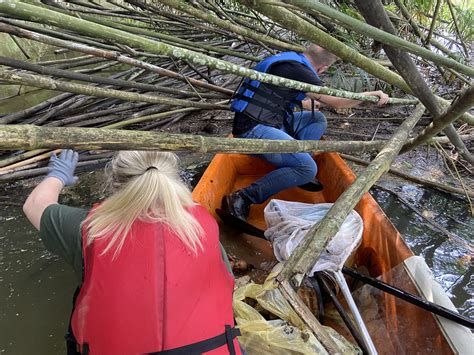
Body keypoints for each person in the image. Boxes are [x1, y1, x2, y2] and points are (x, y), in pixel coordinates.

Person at [23, 150, 241, 355]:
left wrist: (58, 175)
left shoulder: (88, 228)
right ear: (173, 180)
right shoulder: (202, 226)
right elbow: (226, 281)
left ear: (115, 185)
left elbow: (34, 204)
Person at [223, 44, 389, 220]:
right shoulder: (302, 72)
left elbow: (273, 94)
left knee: (316, 119)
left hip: (269, 121)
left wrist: (303, 103)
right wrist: (370, 95)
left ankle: (296, 160)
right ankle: (244, 197)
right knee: (308, 168)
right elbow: (338, 102)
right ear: (323, 68)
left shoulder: (292, 60)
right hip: (252, 129)